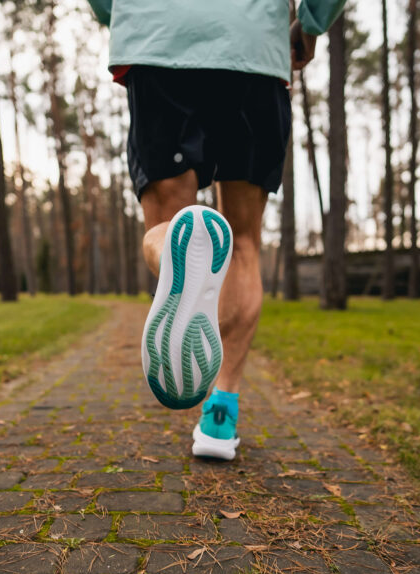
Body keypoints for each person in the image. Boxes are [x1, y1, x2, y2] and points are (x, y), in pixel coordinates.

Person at [87, 0, 346, 461]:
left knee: (166, 223)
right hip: (254, 49)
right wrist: (310, 23)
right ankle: (219, 417)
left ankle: (175, 250)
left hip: (157, 40)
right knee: (243, 242)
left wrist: (116, 13)